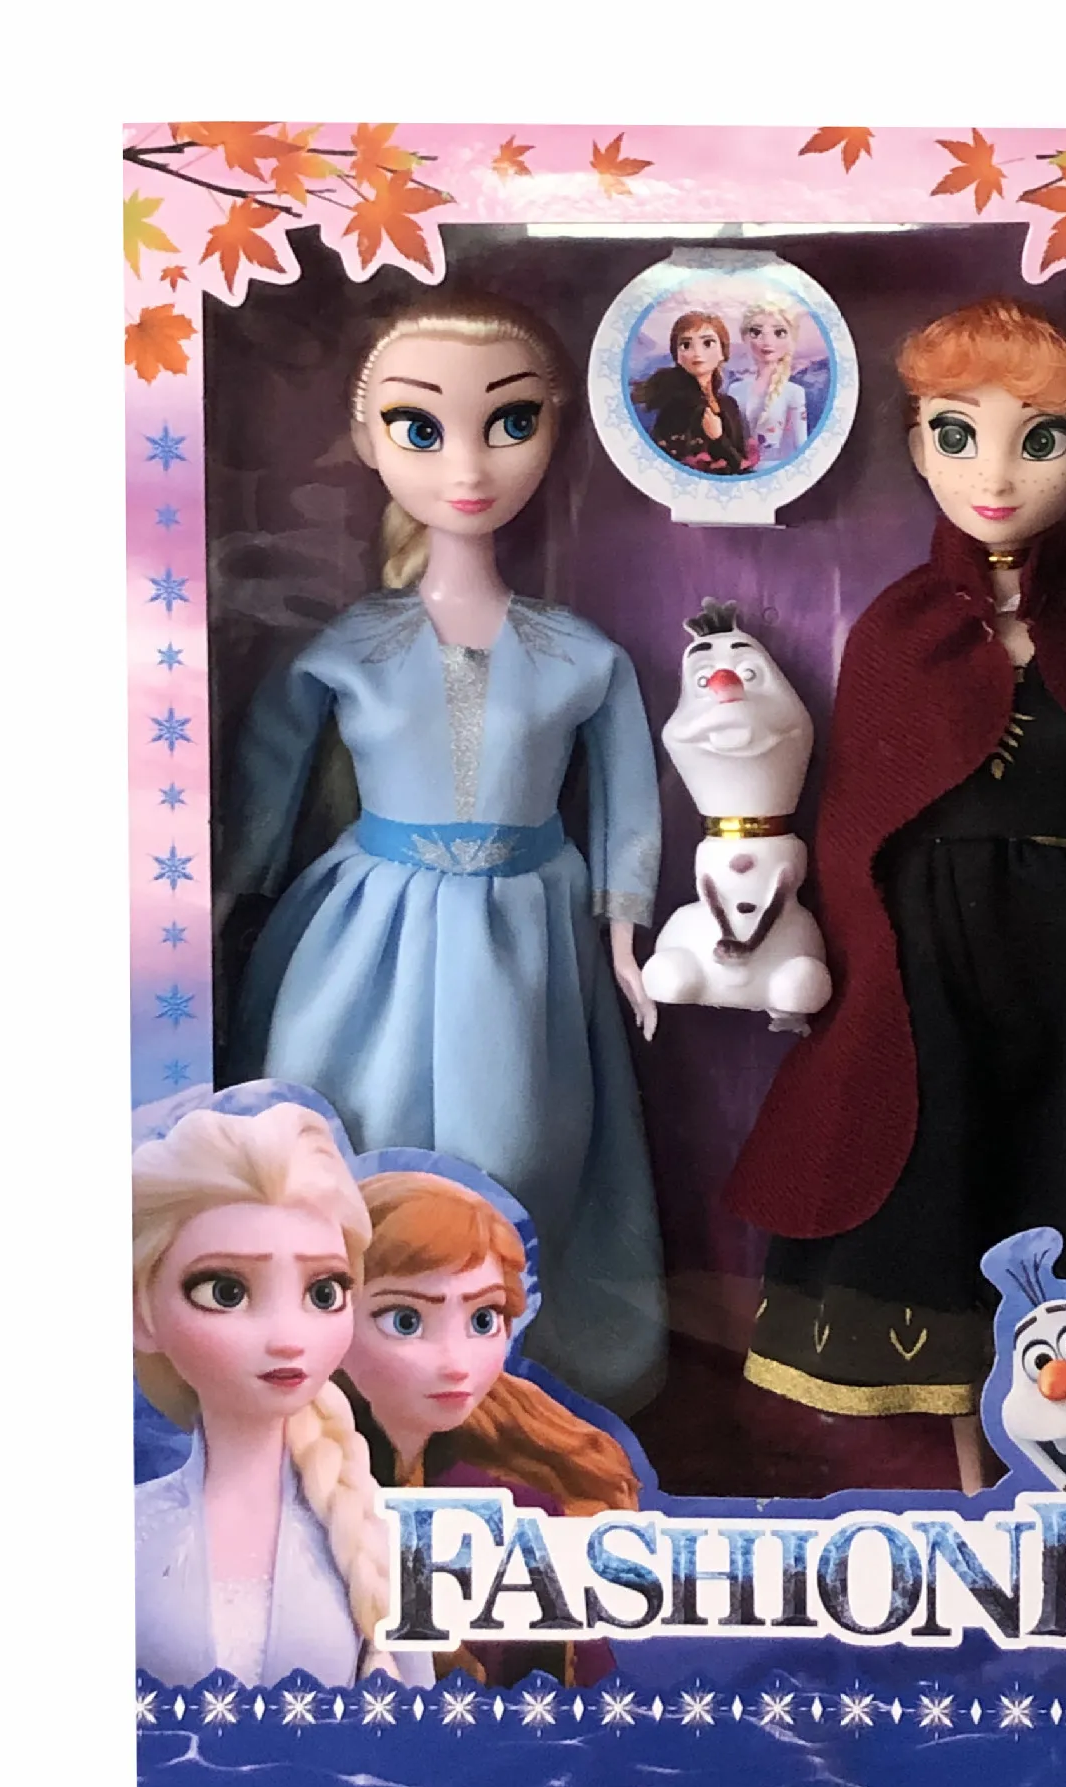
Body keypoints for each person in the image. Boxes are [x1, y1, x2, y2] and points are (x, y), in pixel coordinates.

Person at [726, 297, 1066, 1492]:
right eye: (958, 436)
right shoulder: (895, 636)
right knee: (938, 1187)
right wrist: (820, 966)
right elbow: (857, 830)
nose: (998, 476)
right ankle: (975, 1473)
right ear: (916, 448)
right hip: (928, 976)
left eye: (1042, 438)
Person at [219, 293, 667, 1416]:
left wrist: (625, 930)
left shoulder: (581, 655)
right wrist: (227, 900)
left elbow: (627, 792)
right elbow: (269, 777)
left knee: (517, 1148)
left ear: (558, 429)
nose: (467, 465)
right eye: (419, 428)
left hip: (525, 934)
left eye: (510, 423)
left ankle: (504, 1383)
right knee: (343, 1141)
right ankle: (343, 1378)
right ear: (365, 438)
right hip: (364, 934)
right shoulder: (348, 648)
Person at [131, 1102, 436, 1689]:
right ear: (142, 1313)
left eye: (323, 1293)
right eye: (226, 1291)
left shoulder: (387, 1539)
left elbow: (420, 1725)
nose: (288, 1338)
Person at [341, 1168, 641, 1686]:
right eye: (406, 1321)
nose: (456, 1363)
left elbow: (588, 1700)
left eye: (483, 1320)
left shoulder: (522, 1504)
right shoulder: (289, 1486)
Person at [630, 309, 749, 472]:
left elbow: (741, 463)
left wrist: (719, 438)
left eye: (708, 343)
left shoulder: (729, 404)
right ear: (677, 356)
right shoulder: (674, 405)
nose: (697, 353)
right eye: (686, 345)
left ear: (723, 352)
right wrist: (717, 439)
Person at [726, 299, 810, 465]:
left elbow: (801, 446)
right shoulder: (735, 389)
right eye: (756, 332)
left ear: (791, 339)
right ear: (745, 338)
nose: (767, 342)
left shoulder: (793, 392)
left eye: (779, 333)